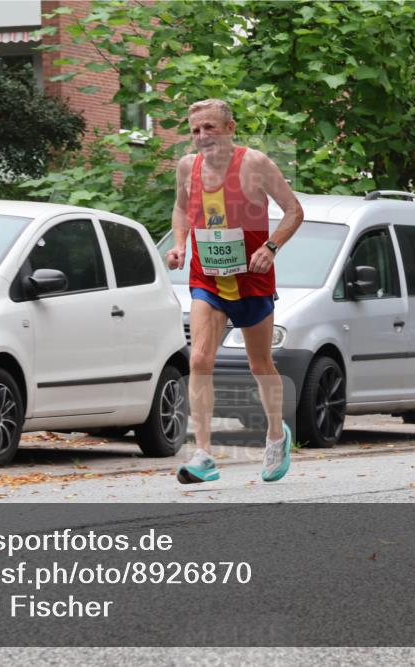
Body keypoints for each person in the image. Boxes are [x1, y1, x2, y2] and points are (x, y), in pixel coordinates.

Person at [165, 98, 304, 484]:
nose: (201, 136)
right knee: (199, 359)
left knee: (260, 364)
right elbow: (181, 209)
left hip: (251, 279)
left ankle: (275, 435)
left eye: (209, 127)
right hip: (207, 279)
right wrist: (179, 245)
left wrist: (271, 247)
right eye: (195, 130)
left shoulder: (255, 164)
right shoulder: (187, 167)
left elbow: (294, 210)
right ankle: (203, 453)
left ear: (229, 128)